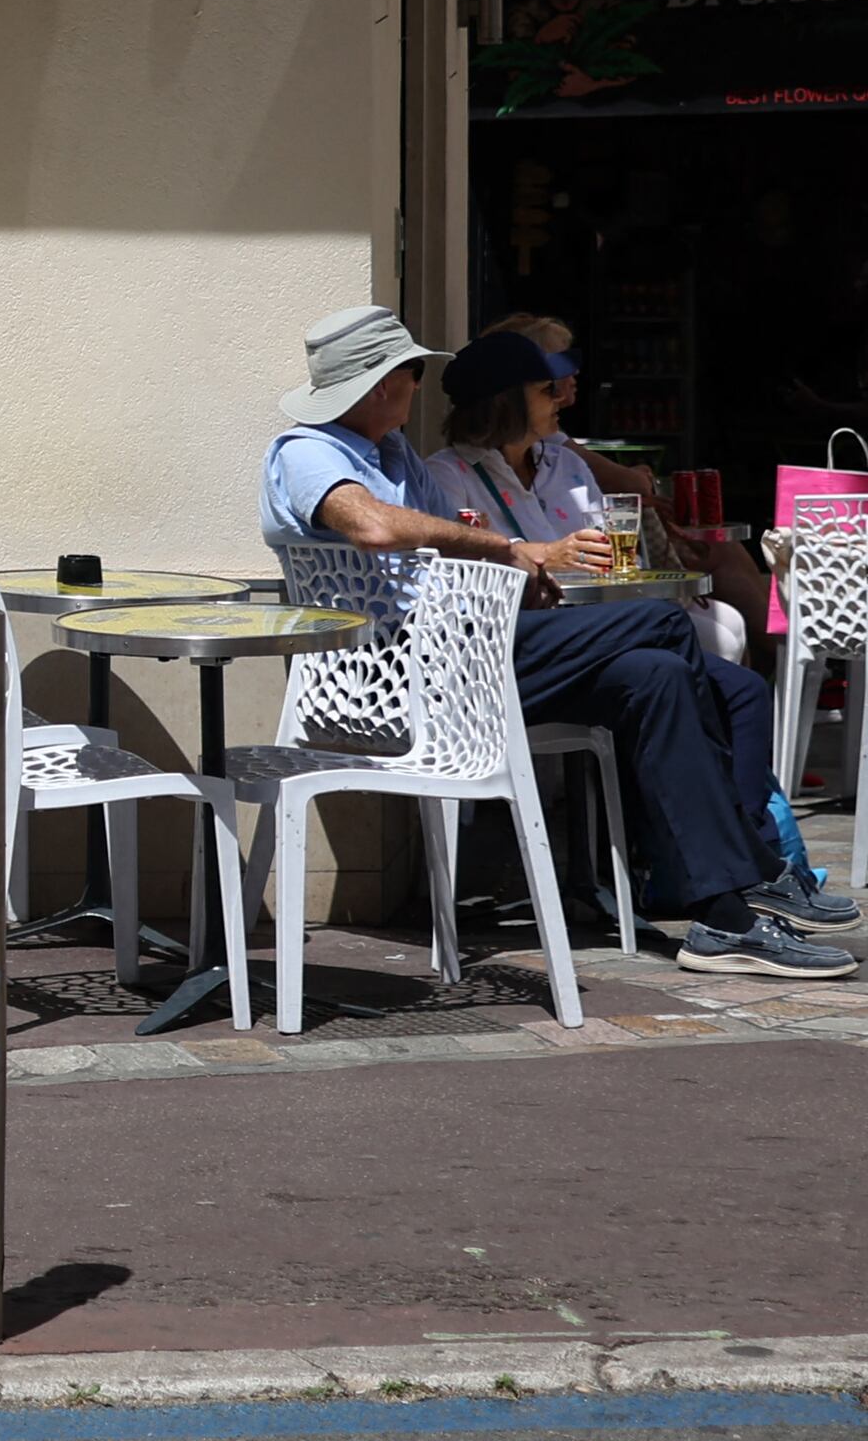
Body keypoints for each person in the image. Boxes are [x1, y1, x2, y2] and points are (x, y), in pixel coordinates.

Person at [263, 305, 850, 977]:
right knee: (663, 625)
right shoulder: (306, 452)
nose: (420, 385)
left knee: (656, 672)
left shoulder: (393, 454)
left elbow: (438, 552)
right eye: (414, 372)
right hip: (402, 673)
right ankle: (735, 863)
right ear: (378, 385)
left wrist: (504, 572)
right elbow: (372, 527)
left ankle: (720, 914)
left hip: (463, 646)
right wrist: (510, 550)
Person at [433, 315, 843, 906]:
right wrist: (543, 564)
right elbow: (464, 586)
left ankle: (732, 865)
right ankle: (750, 864)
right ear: (505, 403)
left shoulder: (564, 465)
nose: (562, 397)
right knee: (673, 634)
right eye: (547, 389)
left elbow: (608, 556)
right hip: (519, 646)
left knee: (730, 687)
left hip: (591, 632)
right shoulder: (449, 479)